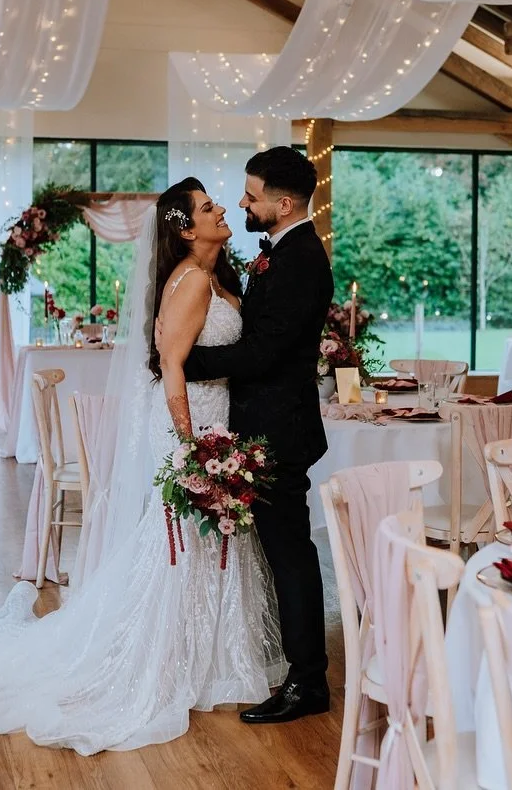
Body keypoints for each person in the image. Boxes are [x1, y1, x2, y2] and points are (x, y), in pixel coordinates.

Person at [0, 178, 286, 754]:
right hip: (191, 427)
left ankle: (211, 658)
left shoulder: (216, 277)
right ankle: (171, 658)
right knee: (181, 543)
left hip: (215, 419)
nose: (222, 210)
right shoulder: (191, 281)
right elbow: (172, 368)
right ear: (186, 228)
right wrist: (193, 448)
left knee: (196, 544)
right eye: (209, 207)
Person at [176, 146, 334, 724]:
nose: (242, 202)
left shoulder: (301, 261)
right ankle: (284, 661)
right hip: (262, 425)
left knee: (290, 553)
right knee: (276, 552)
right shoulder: (280, 253)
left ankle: (308, 682)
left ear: (283, 203)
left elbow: (264, 351)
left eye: (251, 194)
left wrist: (181, 362)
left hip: (279, 431)